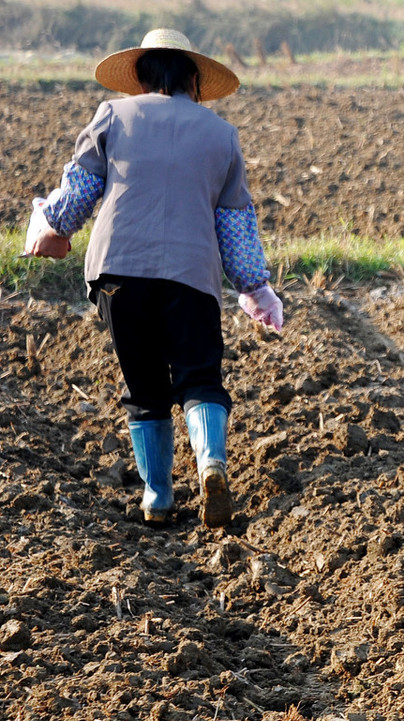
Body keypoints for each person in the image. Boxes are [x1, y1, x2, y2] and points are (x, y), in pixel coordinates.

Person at [25, 29, 283, 528]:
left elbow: (77, 194)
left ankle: (158, 496)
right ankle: (211, 463)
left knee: (145, 386)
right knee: (199, 377)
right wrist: (255, 287)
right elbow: (235, 225)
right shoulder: (220, 134)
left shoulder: (113, 116)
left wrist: (50, 223)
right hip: (191, 275)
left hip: (118, 273)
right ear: (194, 80)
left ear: (141, 77)